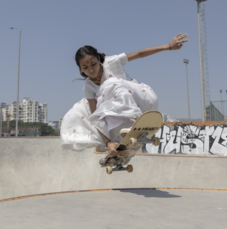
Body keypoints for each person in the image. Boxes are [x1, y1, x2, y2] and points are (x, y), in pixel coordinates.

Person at [61, 33, 189, 155]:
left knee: (110, 84)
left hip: (144, 100)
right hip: (124, 117)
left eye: (93, 64)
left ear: (99, 59)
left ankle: (134, 119)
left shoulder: (111, 62)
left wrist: (168, 46)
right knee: (81, 108)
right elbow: (96, 118)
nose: (91, 69)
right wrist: (108, 142)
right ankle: (118, 138)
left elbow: (139, 53)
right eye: (85, 67)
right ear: (81, 69)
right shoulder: (88, 87)